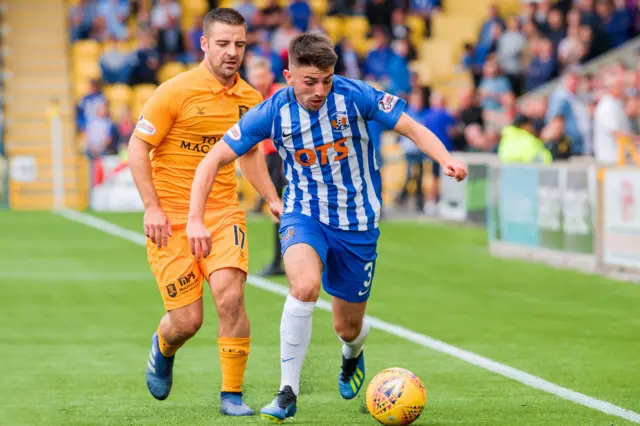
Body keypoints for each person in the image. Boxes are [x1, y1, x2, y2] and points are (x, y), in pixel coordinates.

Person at [186, 33, 467, 423]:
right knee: (302, 286)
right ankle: (287, 392)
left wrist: (446, 159)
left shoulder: (356, 96)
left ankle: (351, 354)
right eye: (309, 81)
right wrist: (195, 218)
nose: (319, 90)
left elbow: (411, 128)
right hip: (304, 213)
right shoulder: (272, 112)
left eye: (327, 81)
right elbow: (211, 160)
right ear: (288, 75)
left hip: (358, 223)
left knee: (346, 326)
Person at [127, 8, 280, 416]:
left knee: (230, 296)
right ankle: (164, 345)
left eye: (240, 45)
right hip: (171, 219)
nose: (233, 52)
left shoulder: (250, 98)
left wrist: (270, 196)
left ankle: (232, 394)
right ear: (204, 44)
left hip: (221, 212)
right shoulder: (174, 91)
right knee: (187, 321)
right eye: (224, 43)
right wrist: (152, 208)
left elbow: (247, 154)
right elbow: (137, 147)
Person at [245, 56, 287, 276]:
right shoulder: (253, 98)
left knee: (282, 209)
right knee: (277, 210)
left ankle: (281, 261)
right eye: (255, 76)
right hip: (270, 157)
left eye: (262, 76)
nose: (259, 80)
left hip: (282, 156)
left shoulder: (279, 95)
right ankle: (278, 260)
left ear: (270, 76)